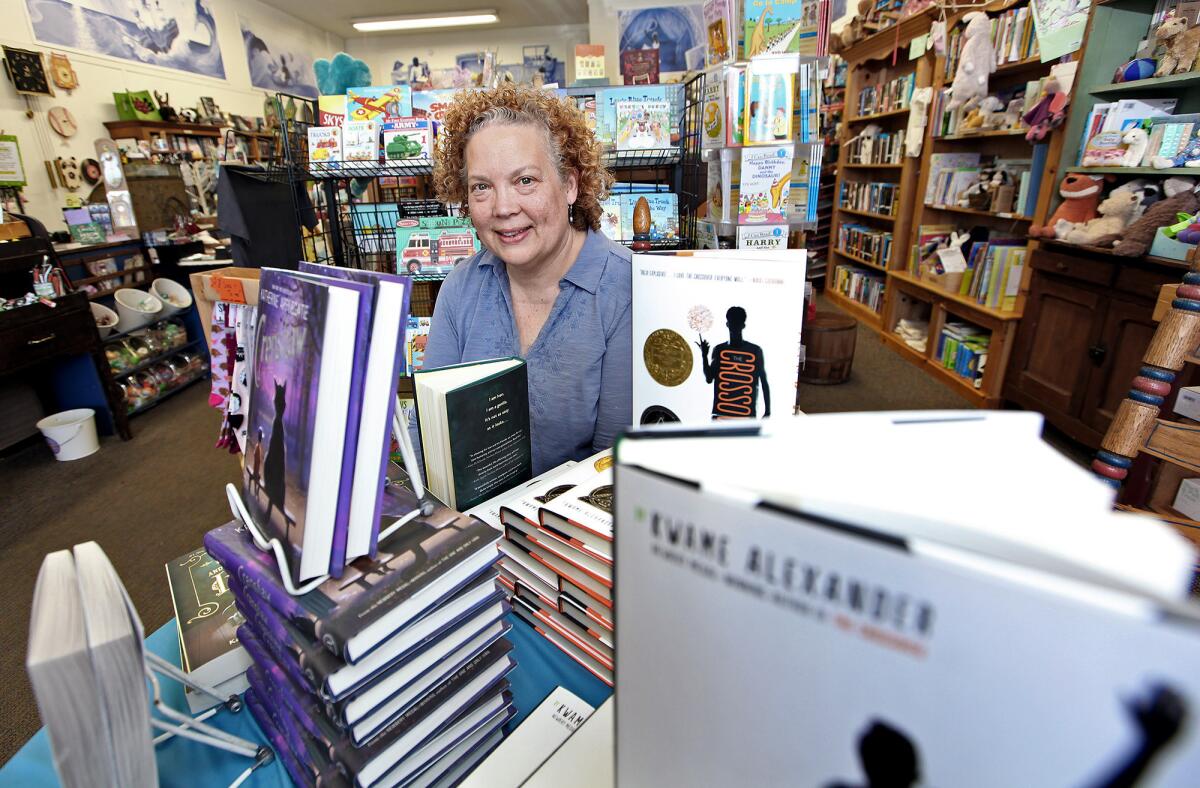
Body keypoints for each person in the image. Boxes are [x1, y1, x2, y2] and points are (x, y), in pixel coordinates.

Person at [421, 83, 631, 475]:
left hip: (573, 527)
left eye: (525, 181)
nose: (503, 207)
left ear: (569, 184)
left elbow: (613, 464)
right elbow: (435, 442)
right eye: (481, 187)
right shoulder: (460, 288)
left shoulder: (626, 289)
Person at [697, 306, 771, 419]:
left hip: (745, 416)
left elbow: (763, 382)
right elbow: (709, 379)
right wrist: (704, 355)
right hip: (721, 414)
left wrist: (767, 411)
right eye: (733, 323)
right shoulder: (719, 350)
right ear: (727, 324)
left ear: (743, 325)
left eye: (737, 323)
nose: (734, 327)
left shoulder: (755, 351)